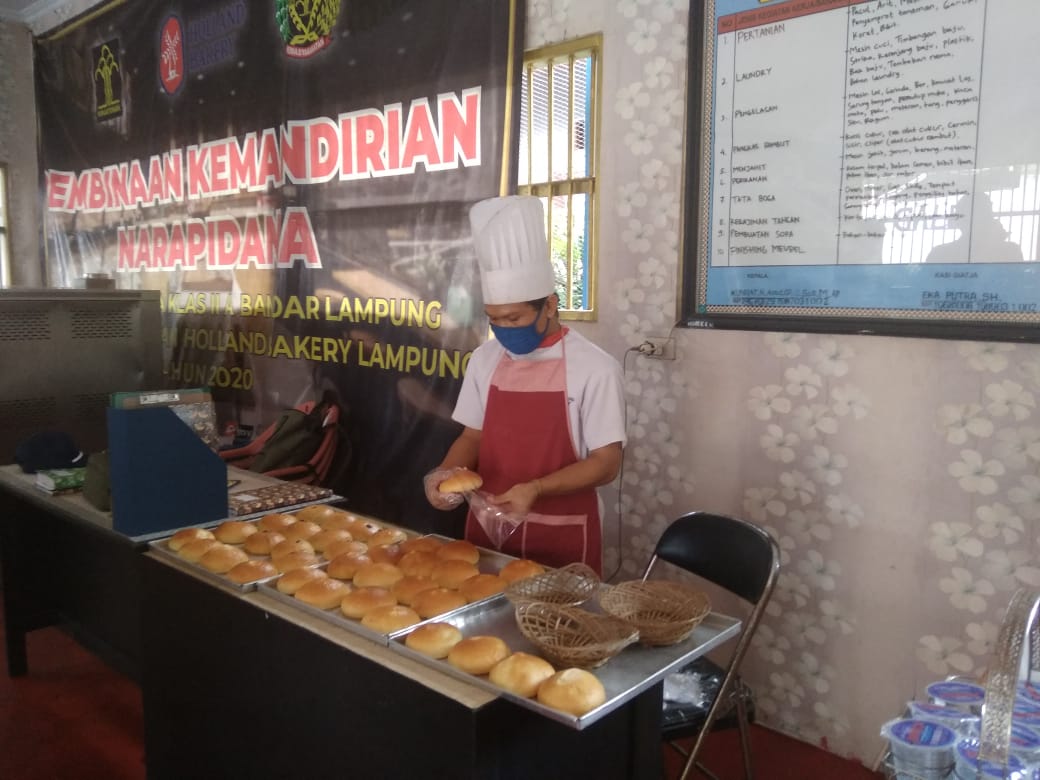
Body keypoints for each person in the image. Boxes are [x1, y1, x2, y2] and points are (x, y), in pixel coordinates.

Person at [423, 196, 626, 575]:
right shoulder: (484, 359)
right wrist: (445, 473)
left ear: (549, 305)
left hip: (562, 531)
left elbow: (606, 463)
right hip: (488, 527)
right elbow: (472, 437)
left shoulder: (596, 368)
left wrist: (536, 489)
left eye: (514, 318)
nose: (503, 330)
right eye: (494, 319)